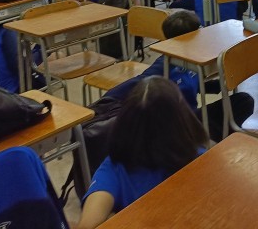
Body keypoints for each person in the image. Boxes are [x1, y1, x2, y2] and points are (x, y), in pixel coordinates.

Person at [76, 76, 209, 229]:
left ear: (124, 123)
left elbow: (88, 225)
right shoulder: (198, 159)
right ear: (182, 120)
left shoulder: (114, 167)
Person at [105, 9, 254, 142]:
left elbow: (190, 85)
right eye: (200, 30)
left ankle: (212, 141)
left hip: (190, 117)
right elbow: (134, 86)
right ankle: (202, 144)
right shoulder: (165, 64)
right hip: (175, 125)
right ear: (190, 37)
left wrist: (221, 84)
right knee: (222, 120)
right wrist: (103, 107)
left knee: (244, 101)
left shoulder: (194, 57)